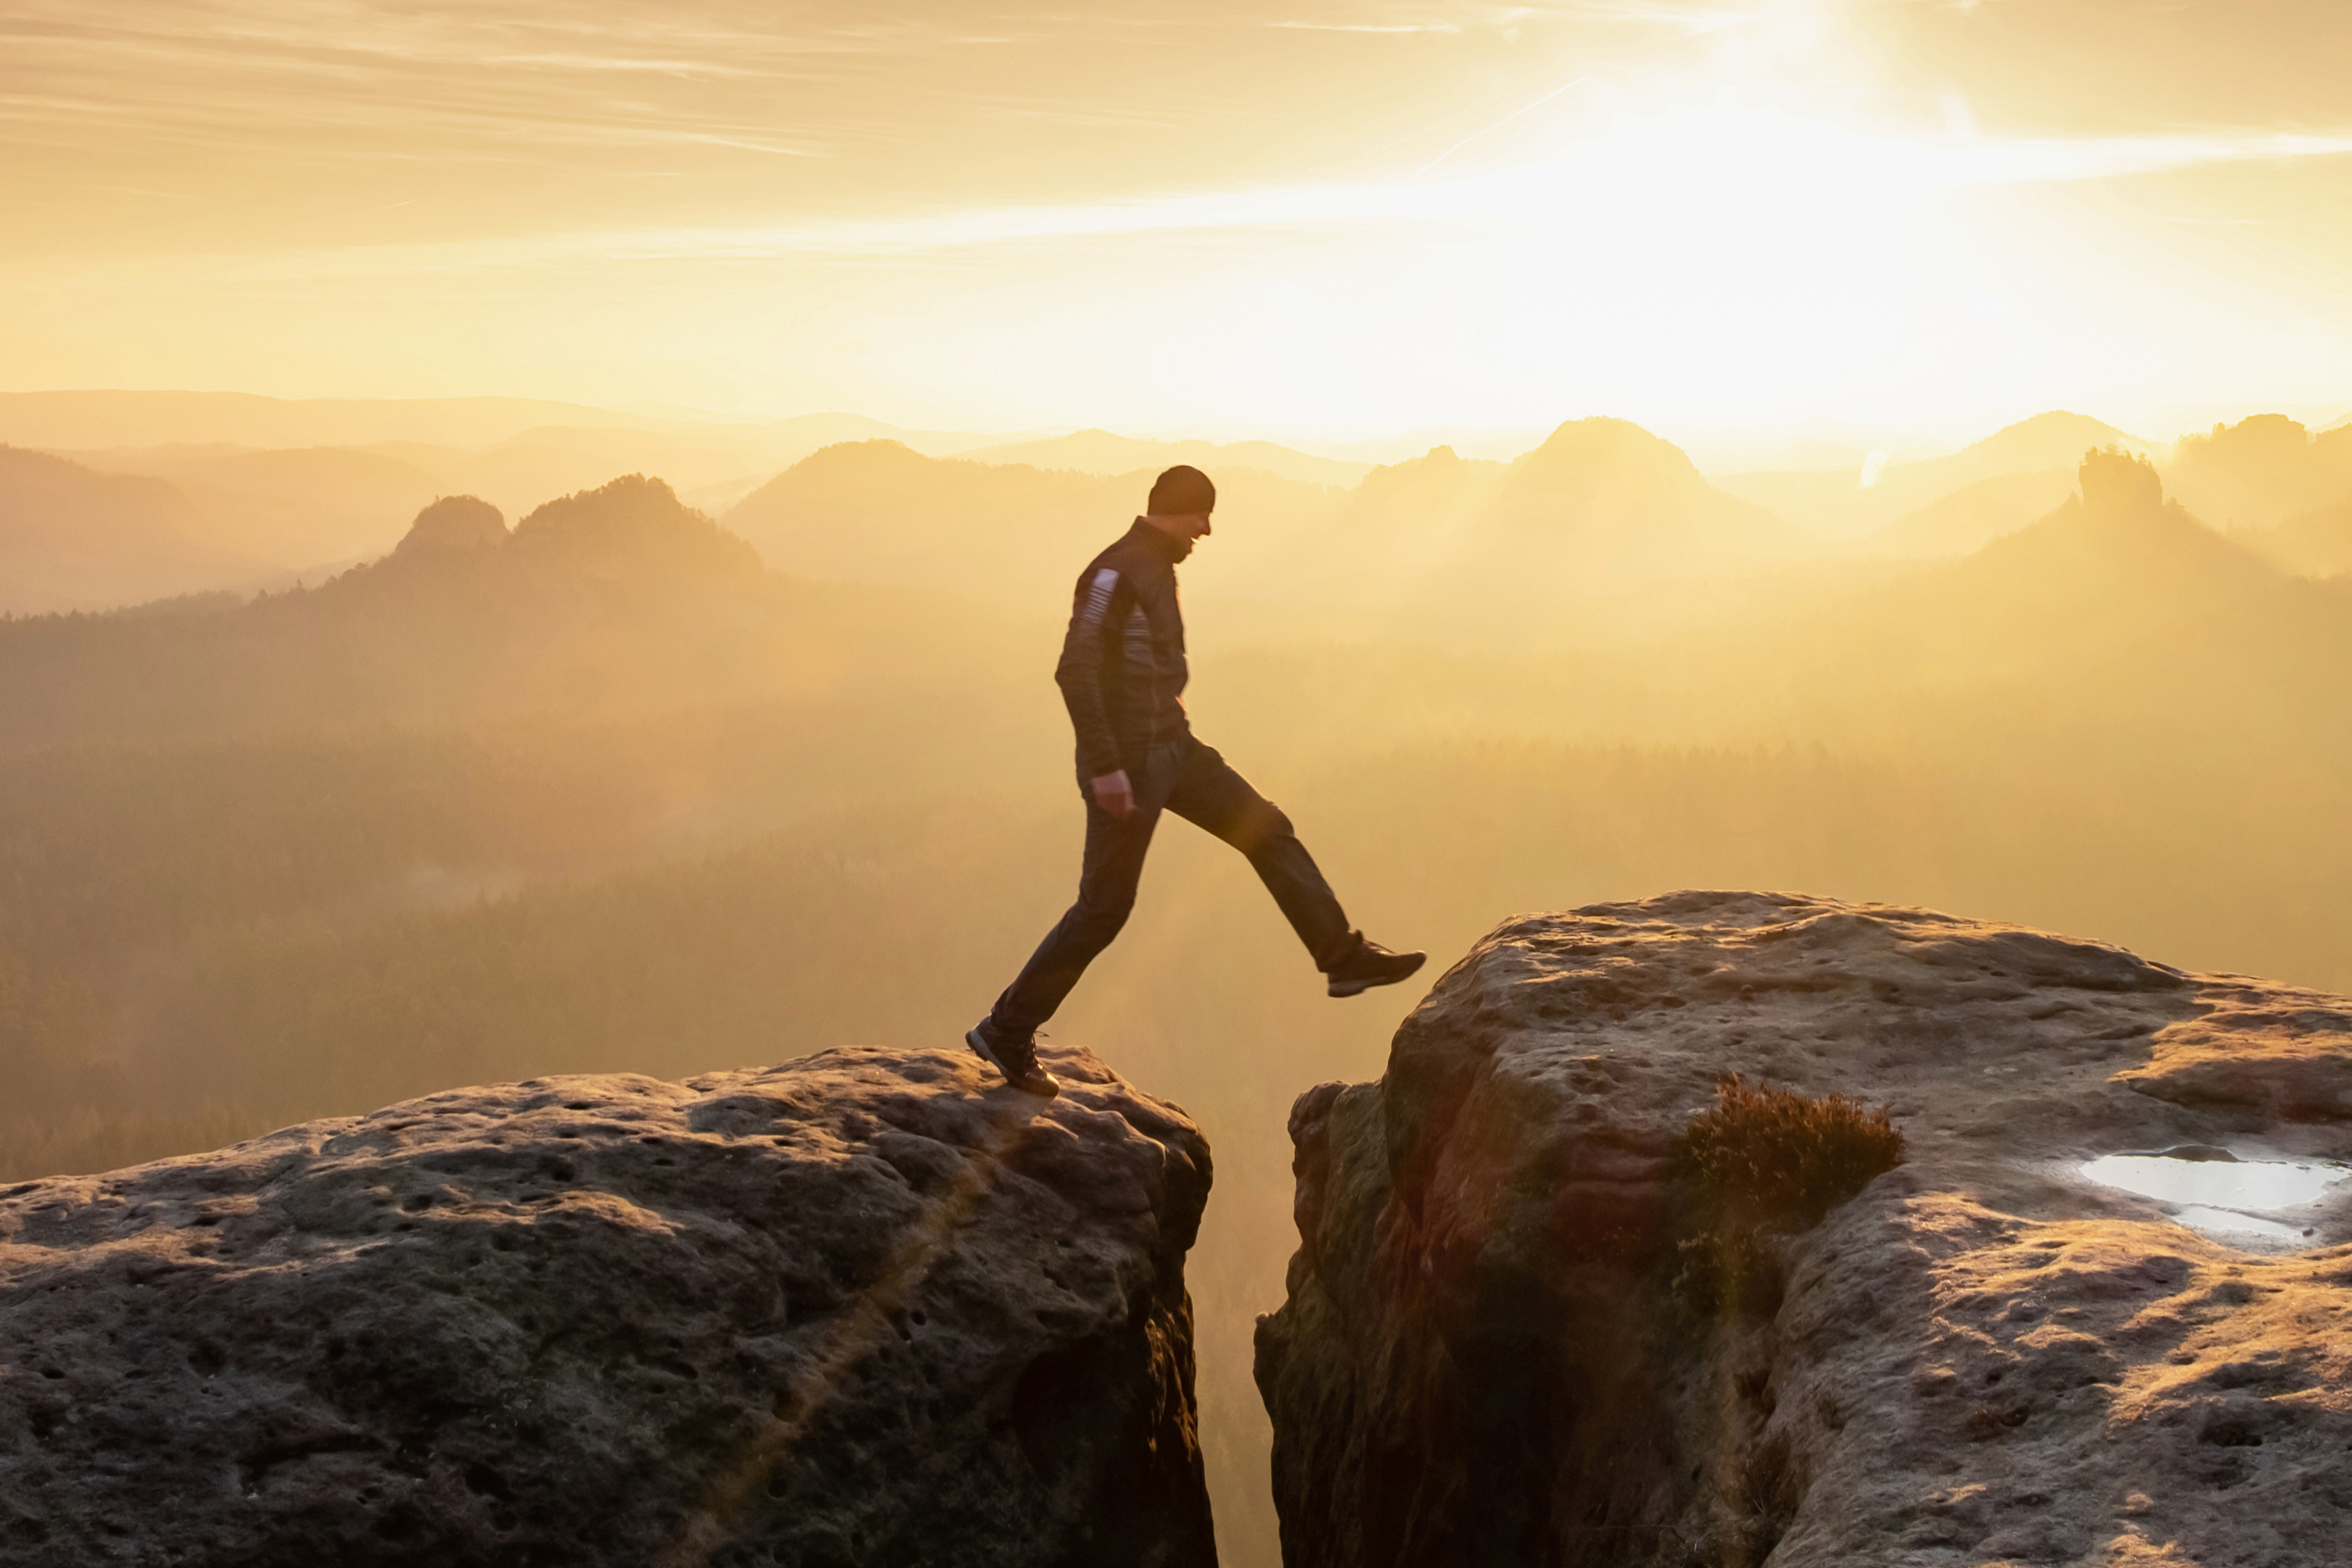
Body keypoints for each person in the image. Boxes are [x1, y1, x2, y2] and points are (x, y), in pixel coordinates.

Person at [967, 464, 1425, 1097]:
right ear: (1171, 510)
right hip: (1127, 762)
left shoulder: (1155, 567)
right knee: (1105, 909)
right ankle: (1007, 1029)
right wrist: (1105, 768)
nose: (1206, 530)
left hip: (1175, 748)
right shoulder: (1112, 573)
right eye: (1199, 517)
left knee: (1266, 828)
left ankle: (1342, 958)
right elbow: (1075, 670)